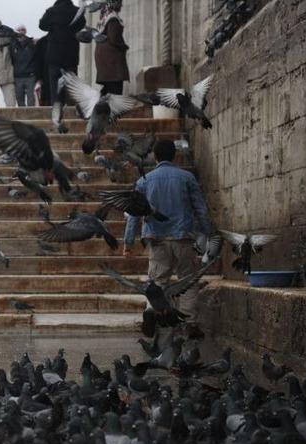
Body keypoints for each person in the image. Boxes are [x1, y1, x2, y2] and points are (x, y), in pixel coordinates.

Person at [123, 140, 212, 325]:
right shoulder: (187, 177)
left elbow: (133, 214)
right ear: (175, 155)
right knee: (188, 283)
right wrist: (207, 234)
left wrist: (128, 243)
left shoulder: (143, 181)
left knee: (156, 285)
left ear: (154, 157)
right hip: (184, 239)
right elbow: (201, 210)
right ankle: (189, 324)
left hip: (157, 240)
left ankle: (153, 317)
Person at [39, 0, 86, 105]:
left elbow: (42, 25)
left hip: (54, 55)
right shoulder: (76, 11)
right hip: (71, 55)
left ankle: (56, 111)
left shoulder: (51, 11)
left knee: (55, 87)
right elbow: (82, 25)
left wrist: (53, 27)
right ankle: (71, 111)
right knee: (71, 86)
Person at [94, 0, 130, 95]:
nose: (121, 5)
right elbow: (114, 38)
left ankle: (98, 108)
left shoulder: (103, 19)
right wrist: (124, 46)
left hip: (104, 60)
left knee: (108, 89)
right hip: (112, 61)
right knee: (115, 92)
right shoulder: (113, 18)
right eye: (119, 2)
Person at [11, 25, 42, 106]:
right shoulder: (12, 44)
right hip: (17, 76)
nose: (21, 31)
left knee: (31, 98)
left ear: (25, 31)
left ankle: (31, 114)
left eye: (23, 29)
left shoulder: (32, 43)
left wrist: (38, 76)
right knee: (19, 97)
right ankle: (22, 115)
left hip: (30, 75)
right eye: (19, 30)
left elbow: (37, 59)